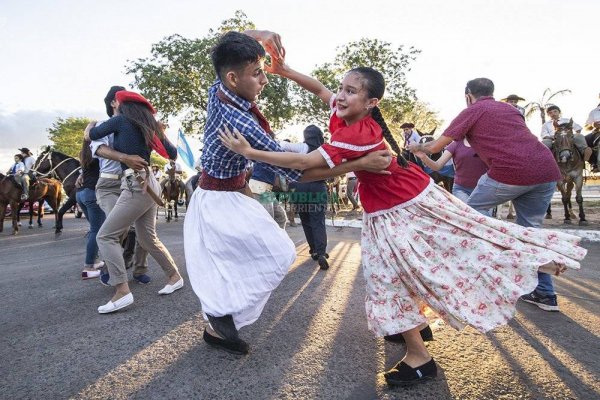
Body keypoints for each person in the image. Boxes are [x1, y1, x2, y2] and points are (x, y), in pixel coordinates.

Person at [220, 62, 586, 385]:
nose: (341, 95)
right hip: (400, 200)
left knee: (401, 271)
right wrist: (286, 71)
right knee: (450, 246)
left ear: (371, 103)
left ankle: (420, 356)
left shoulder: (355, 135)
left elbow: (305, 166)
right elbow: (319, 88)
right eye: (343, 88)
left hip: (401, 206)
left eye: (351, 91)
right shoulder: (346, 115)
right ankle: (423, 325)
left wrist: (250, 153)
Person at [183, 30, 393, 356]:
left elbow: (226, 44)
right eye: (257, 74)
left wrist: (262, 37)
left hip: (236, 192)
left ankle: (221, 318)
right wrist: (362, 162)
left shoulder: (219, 88)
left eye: (264, 71)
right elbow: (302, 168)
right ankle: (220, 316)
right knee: (275, 253)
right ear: (233, 77)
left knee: (259, 253)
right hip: (219, 198)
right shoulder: (245, 124)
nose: (264, 80)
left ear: (370, 103)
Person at [410, 77, 577, 314]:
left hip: (509, 173)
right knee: (530, 232)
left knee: (471, 221)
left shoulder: (473, 110)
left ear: (468, 95)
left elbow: (435, 147)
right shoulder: (510, 109)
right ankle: (545, 294)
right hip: (546, 171)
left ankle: (484, 279)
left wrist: (416, 147)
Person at [85, 90, 184, 314]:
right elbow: (172, 153)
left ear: (120, 104)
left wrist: (89, 127)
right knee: (147, 237)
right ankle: (174, 276)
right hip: (150, 181)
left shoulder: (119, 120)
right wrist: (160, 131)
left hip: (134, 183)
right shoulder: (148, 126)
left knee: (105, 235)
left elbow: (93, 135)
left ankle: (122, 291)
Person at [91, 85, 151, 285]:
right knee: (117, 228)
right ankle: (112, 270)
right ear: (113, 102)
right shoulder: (102, 125)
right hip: (109, 184)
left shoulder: (136, 124)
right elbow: (99, 149)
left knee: (145, 231)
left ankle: (140, 268)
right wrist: (125, 157)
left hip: (133, 181)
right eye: (122, 98)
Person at [286, 125, 330, 269]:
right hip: (318, 187)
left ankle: (314, 251)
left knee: (306, 221)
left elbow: (282, 146)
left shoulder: (300, 147)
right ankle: (322, 252)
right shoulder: (325, 150)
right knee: (318, 221)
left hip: (299, 187)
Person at [411, 139, 488, 205]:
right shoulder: (455, 144)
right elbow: (437, 166)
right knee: (471, 214)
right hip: (461, 189)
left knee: (485, 217)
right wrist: (424, 157)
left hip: (484, 189)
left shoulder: (486, 143)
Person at [76, 139, 106, 280]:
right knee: (97, 230)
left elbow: (83, 173)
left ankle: (94, 260)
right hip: (92, 193)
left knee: (95, 229)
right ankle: (88, 267)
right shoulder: (99, 151)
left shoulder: (84, 153)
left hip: (81, 194)